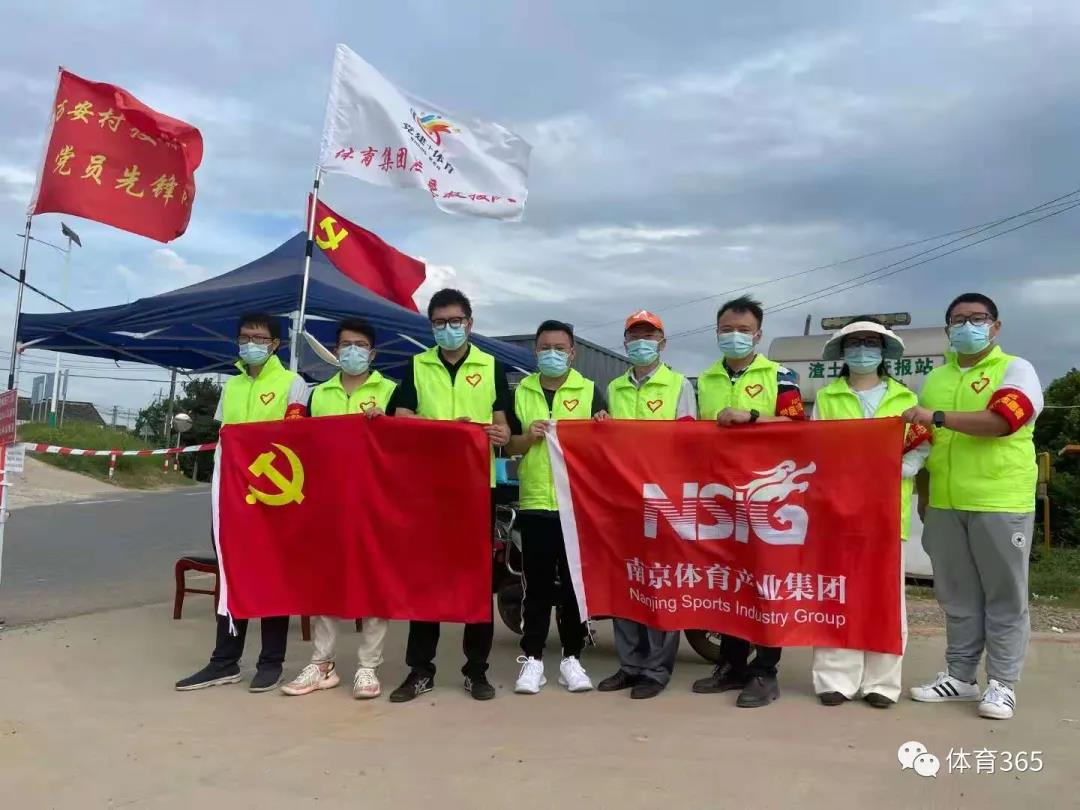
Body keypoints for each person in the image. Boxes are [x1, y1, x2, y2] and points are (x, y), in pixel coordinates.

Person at [904, 293, 1043, 721]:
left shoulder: (1015, 369)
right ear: (947, 329)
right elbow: (925, 442)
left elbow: (1003, 422)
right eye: (958, 319)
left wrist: (937, 416)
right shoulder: (936, 378)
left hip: (999, 501)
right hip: (946, 503)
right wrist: (925, 497)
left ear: (995, 327)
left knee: (1004, 595)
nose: (967, 326)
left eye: (977, 318)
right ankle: (960, 677)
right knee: (957, 596)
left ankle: (1002, 683)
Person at [388, 288, 512, 702]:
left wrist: (500, 433)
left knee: (477, 579)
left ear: (469, 323)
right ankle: (420, 670)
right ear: (431, 326)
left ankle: (476, 670)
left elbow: (502, 424)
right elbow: (401, 417)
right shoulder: (417, 365)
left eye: (455, 321)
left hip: (477, 487)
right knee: (426, 579)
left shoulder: (491, 366)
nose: (448, 328)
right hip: (428, 488)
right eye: (440, 323)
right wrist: (445, 430)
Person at [176, 312, 309, 693]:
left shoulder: (293, 384)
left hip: (274, 496)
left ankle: (271, 661)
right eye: (245, 337)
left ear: (275, 344)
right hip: (232, 496)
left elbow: (294, 439)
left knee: (273, 577)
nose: (251, 343)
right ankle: (224, 661)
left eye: (259, 338)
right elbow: (226, 438)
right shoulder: (231, 386)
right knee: (232, 575)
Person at [692, 295, 805, 708]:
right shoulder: (705, 379)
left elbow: (798, 426)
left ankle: (765, 671)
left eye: (743, 330)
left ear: (758, 335)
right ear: (716, 332)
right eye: (727, 329)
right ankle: (732, 664)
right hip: (720, 495)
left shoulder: (781, 375)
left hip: (766, 496)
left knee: (766, 583)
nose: (735, 336)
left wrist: (752, 417)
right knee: (729, 583)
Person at [810, 318, 929, 709]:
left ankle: (882, 682)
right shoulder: (827, 397)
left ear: (883, 351)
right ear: (843, 352)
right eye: (854, 343)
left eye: (870, 342)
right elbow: (815, 446)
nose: (862, 350)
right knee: (836, 594)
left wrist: (905, 466)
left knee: (885, 598)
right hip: (838, 510)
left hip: (887, 510)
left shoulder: (905, 397)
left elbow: (922, 443)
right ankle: (835, 678)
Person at [281, 318, 397, 700]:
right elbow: (301, 445)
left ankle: (368, 666)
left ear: (372, 353)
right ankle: (322, 664)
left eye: (360, 345)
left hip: (375, 500)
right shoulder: (318, 396)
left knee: (374, 582)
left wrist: (386, 424)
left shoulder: (390, 391)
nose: (353, 351)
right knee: (324, 581)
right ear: (335, 351)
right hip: (327, 501)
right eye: (346, 345)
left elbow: (403, 446)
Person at [598, 310, 697, 699]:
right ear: (625, 343)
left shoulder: (678, 385)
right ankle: (629, 665)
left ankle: (656, 670)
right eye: (635, 336)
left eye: (649, 336)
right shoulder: (615, 387)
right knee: (626, 581)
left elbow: (689, 443)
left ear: (662, 343)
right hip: (622, 499)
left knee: (660, 584)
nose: (641, 343)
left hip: (663, 499)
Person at [505, 320, 607, 695]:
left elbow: (603, 445)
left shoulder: (590, 391)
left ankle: (572, 659)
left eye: (559, 348)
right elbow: (509, 446)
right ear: (535, 352)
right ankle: (533, 659)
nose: (552, 354)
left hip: (575, 503)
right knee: (536, 586)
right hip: (534, 501)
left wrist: (601, 426)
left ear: (572, 353)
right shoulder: (522, 392)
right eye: (545, 348)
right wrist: (527, 437)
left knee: (573, 585)